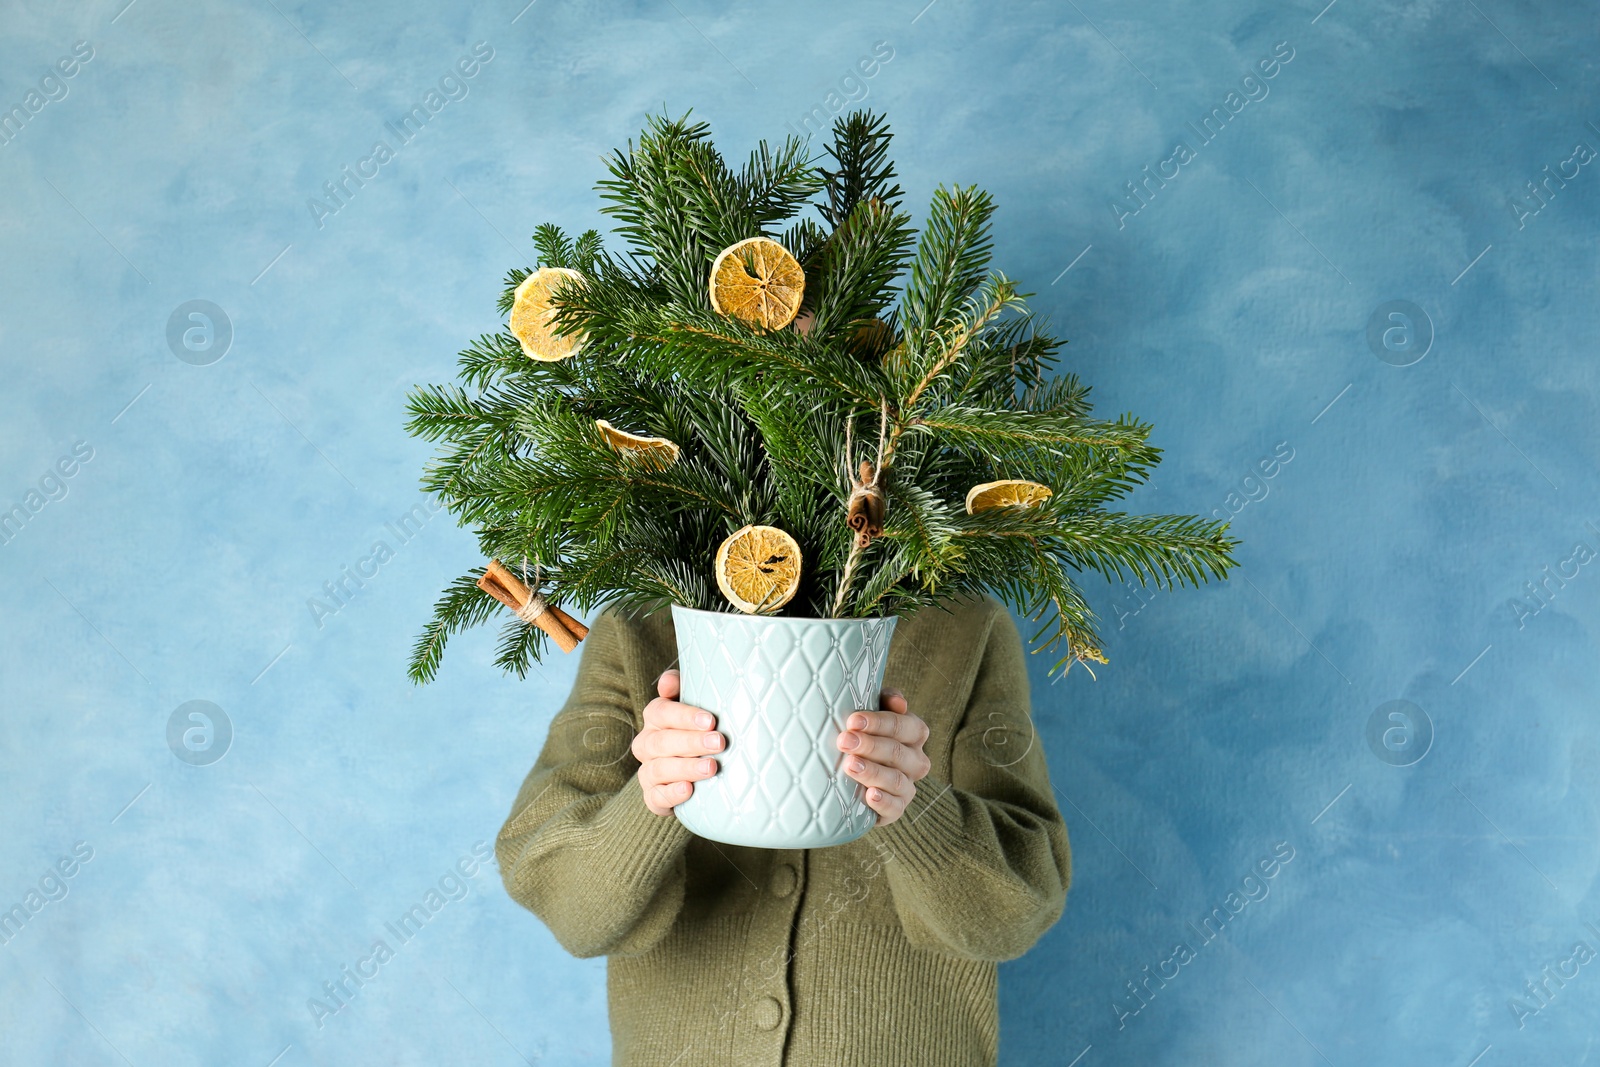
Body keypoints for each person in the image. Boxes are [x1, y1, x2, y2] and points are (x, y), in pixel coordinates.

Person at [496, 589, 1071, 1066]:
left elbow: (1014, 916)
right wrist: (658, 796)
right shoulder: (639, 624)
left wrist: (909, 803)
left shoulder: (965, 625)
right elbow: (572, 913)